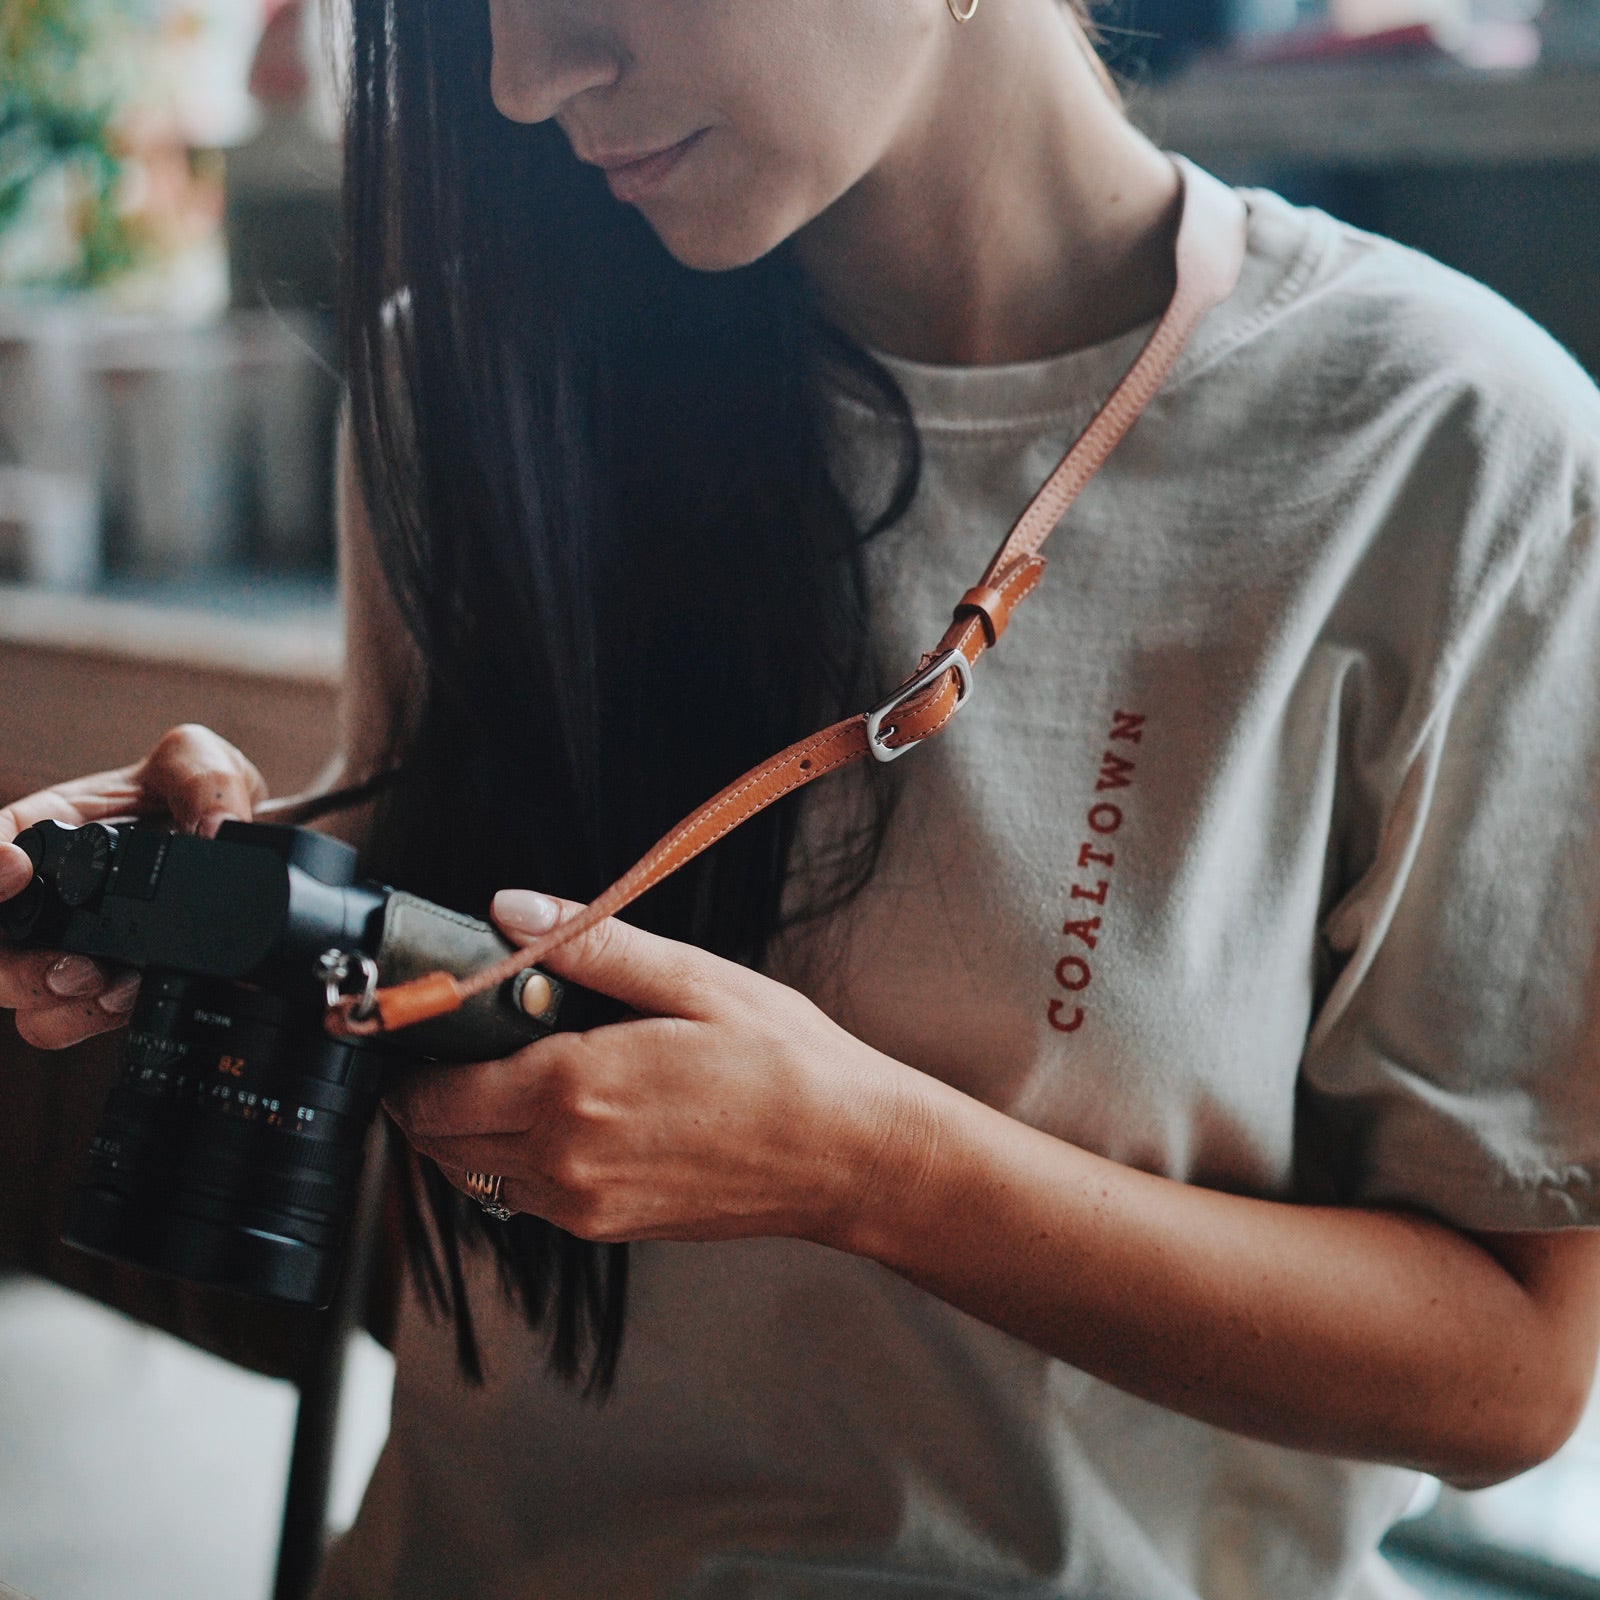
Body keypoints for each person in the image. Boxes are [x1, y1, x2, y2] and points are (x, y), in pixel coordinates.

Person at [4, 2, 1600, 1596]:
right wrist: (230, 912)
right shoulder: (479, 375)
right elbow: (466, 1062)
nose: (518, 79)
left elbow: (1512, 1375)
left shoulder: (1457, 462)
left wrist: (878, 1172)